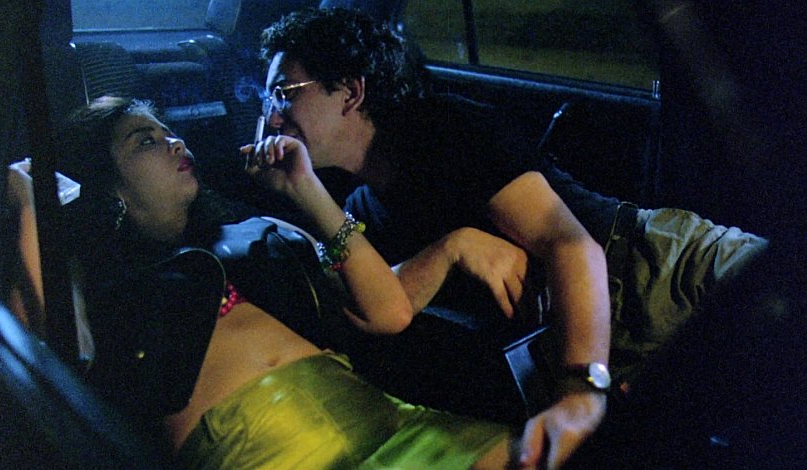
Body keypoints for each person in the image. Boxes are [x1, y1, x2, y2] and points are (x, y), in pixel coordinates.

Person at [258, 7, 768, 468]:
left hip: (659, 270)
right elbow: (386, 308)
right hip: (592, 337)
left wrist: (578, 392)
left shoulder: (444, 130)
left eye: (284, 92)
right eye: (267, 98)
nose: (271, 116)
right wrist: (449, 246)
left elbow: (572, 246)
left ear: (350, 92)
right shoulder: (361, 208)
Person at [54, 96, 521, 469]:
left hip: (374, 413)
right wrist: (29, 207)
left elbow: (388, 310)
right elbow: (61, 361)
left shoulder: (256, 230)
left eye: (167, 132)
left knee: (537, 452)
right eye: (145, 142)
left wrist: (307, 189)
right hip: (261, 447)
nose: (175, 143)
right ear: (105, 185)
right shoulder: (93, 275)